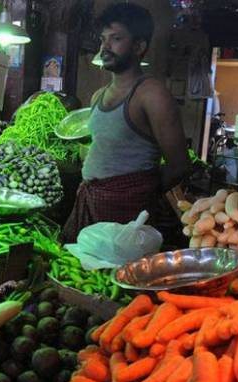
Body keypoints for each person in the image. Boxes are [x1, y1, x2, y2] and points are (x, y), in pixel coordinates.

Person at [62, 3, 191, 243]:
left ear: (139, 46)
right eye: (103, 39)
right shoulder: (98, 96)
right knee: (76, 264)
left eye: (116, 38)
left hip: (128, 212)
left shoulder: (152, 94)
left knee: (117, 266)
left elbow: (179, 165)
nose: (105, 47)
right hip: (90, 201)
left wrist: (140, 191)